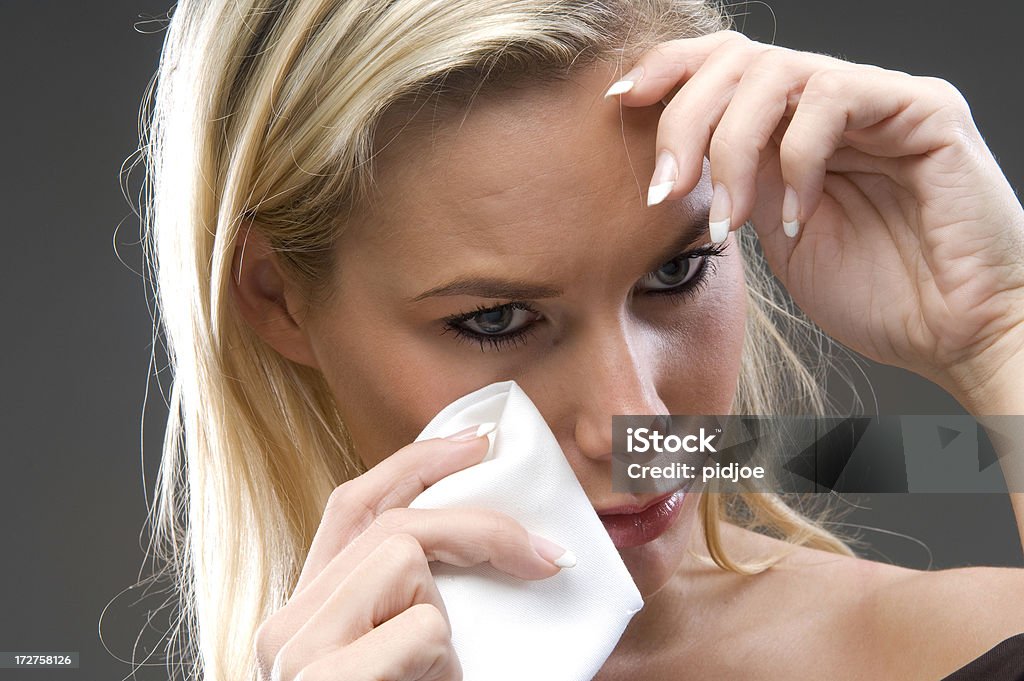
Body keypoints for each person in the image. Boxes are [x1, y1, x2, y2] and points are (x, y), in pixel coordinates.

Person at [140, 0, 1024, 679]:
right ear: (278, 299)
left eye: (677, 273)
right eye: (496, 320)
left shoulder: (955, 645)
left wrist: (1003, 327)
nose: (632, 422)